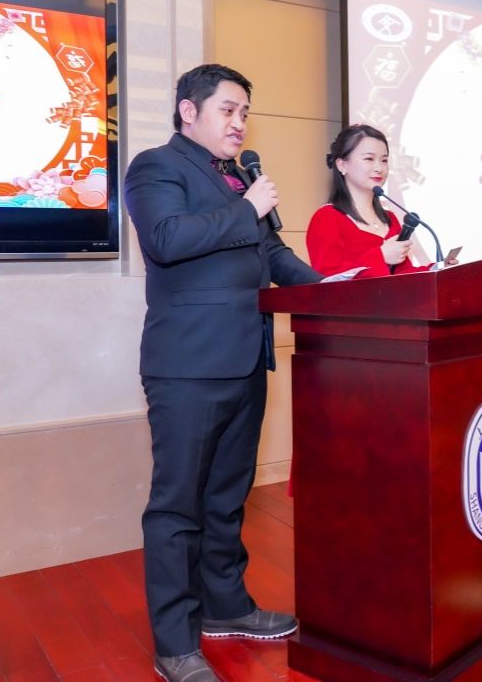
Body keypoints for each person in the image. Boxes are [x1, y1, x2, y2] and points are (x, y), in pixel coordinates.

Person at [124, 63, 323, 682]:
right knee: (177, 507)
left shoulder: (239, 178)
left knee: (226, 498)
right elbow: (165, 238)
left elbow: (274, 255)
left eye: (244, 113)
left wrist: (339, 289)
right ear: (189, 110)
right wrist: (247, 208)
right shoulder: (156, 166)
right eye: (229, 110)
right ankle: (175, 644)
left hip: (245, 360)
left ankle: (226, 606)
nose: (240, 124)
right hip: (187, 365)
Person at [305, 124, 430, 278]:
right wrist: (381, 256)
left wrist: (439, 268)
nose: (379, 168)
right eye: (369, 159)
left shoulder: (390, 218)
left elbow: (403, 275)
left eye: (384, 160)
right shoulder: (327, 217)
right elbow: (329, 280)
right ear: (342, 165)